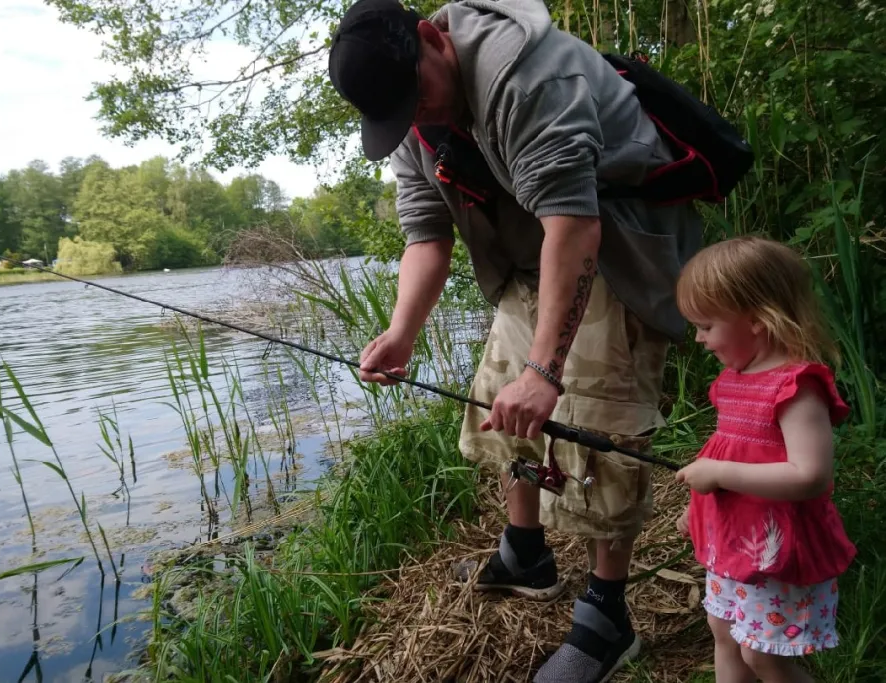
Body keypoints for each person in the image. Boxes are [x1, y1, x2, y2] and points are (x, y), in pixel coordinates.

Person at [327, 0, 703, 680]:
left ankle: (607, 616)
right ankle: (526, 551)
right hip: (531, 260)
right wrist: (401, 332)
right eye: (402, 113)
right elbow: (425, 235)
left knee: (603, 428)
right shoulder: (411, 119)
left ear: (431, 38)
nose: (421, 119)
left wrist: (546, 370)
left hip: (616, 250)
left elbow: (575, 227)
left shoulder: (529, 77)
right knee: (504, 409)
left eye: (421, 97)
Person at [673, 236, 857, 683]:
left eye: (707, 325)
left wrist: (718, 473)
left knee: (763, 656)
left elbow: (809, 475)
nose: (699, 338)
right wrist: (697, 508)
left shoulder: (796, 387)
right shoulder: (732, 381)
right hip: (734, 544)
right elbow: (727, 452)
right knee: (724, 631)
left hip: (777, 551)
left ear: (756, 319)